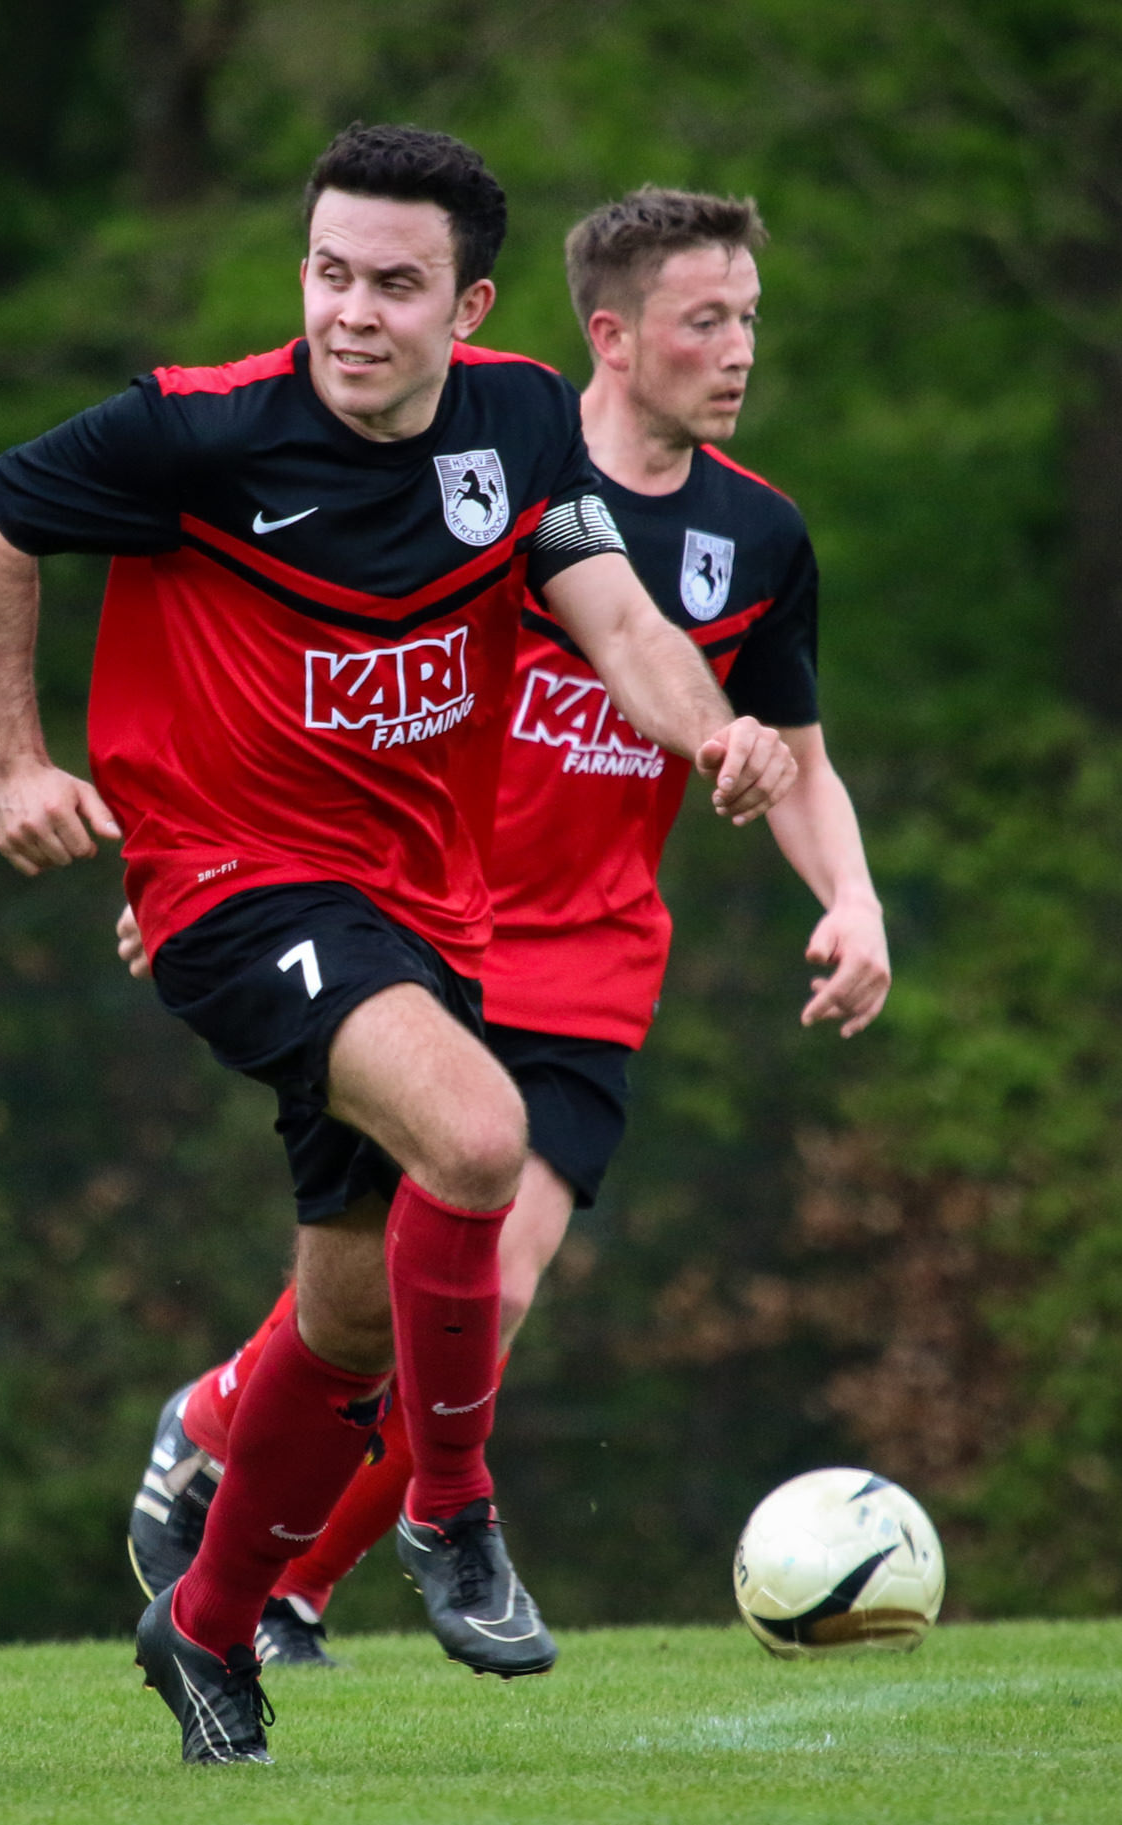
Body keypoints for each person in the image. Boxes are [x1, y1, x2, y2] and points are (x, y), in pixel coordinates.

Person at [0, 127, 798, 1764]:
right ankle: (452, 1511)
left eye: (394, 284)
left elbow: (615, 612)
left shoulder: (520, 421)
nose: (349, 311)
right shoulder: (196, 427)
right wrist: (11, 762)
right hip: (228, 884)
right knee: (477, 1136)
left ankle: (204, 1628)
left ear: (466, 307)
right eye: (328, 273)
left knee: (343, 1319)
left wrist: (712, 733)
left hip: (419, 907)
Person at [123, 186, 890, 1669]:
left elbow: (794, 750)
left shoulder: (759, 533)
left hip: (595, 959)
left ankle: (284, 1582)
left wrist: (849, 899)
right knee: (390, 1300)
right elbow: (283, 687)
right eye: (705, 321)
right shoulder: (483, 477)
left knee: (496, 1291)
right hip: (425, 928)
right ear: (611, 336)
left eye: (748, 319)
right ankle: (226, 1444)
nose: (739, 350)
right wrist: (194, 876)